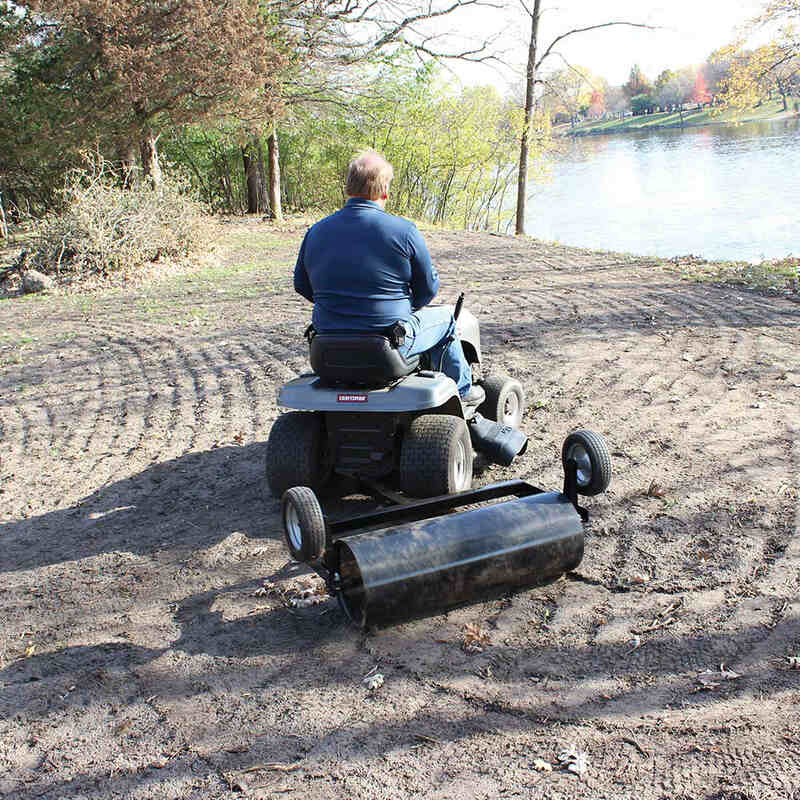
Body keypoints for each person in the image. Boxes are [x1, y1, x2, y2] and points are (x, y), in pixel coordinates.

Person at [293, 149, 485, 406]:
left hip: (327, 347)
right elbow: (428, 289)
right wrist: (401, 308)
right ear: (384, 190)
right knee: (446, 319)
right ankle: (463, 392)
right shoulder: (404, 231)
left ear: (348, 188)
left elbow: (302, 285)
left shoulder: (316, 232)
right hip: (387, 345)